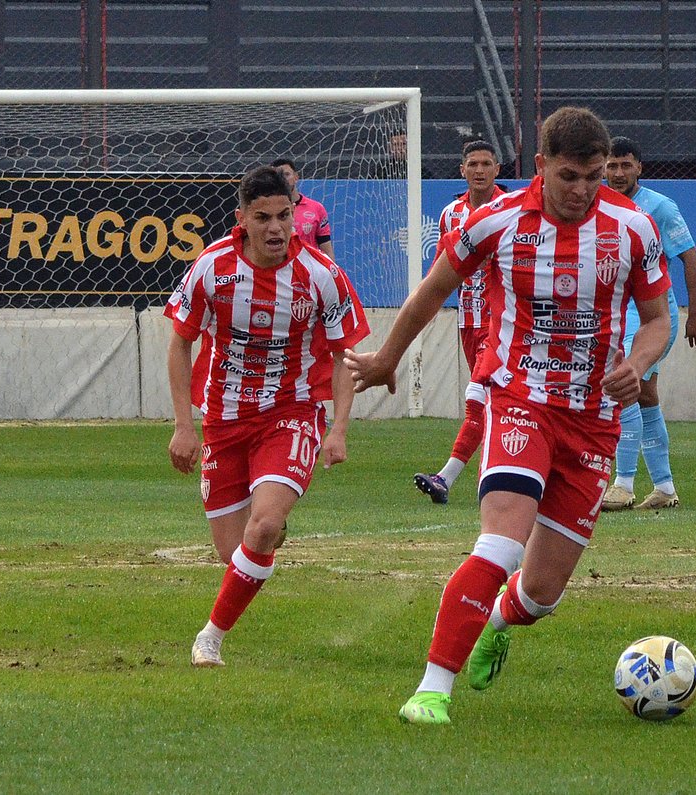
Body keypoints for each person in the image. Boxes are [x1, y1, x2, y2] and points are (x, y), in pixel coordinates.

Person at [344, 107, 672, 725]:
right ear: (542, 166)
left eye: (595, 177)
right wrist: (388, 357)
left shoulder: (633, 230)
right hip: (518, 400)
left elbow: (656, 320)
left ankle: (498, 620)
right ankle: (432, 688)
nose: (582, 190)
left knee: (542, 593)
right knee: (499, 543)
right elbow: (433, 290)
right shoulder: (492, 222)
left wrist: (639, 361)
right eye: (570, 176)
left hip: (594, 420)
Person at [165, 164, 369, 667]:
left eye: (285, 215)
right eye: (264, 218)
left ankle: (209, 637)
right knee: (234, 555)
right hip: (224, 420)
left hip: (292, 413)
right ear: (242, 219)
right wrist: (183, 426)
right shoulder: (212, 268)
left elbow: (347, 353)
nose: (277, 227)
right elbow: (180, 344)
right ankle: (267, 525)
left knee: (263, 527)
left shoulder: (321, 274)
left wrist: (339, 428)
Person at [600, 135, 696, 511]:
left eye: (625, 165)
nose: (617, 173)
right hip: (615, 312)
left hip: (652, 315)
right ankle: (664, 487)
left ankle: (624, 485)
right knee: (646, 397)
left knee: (624, 385)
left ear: (639, 168)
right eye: (611, 166)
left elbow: (690, 259)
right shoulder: (596, 205)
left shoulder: (659, 207)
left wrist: (694, 314)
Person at [413, 140, 506, 504]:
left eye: (486, 163)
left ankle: (445, 477)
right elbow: (442, 266)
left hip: (501, 320)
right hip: (467, 320)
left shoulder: (509, 210)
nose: (480, 170)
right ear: (462, 170)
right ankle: (501, 474)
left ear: (498, 170)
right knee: (492, 402)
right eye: (473, 163)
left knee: (476, 396)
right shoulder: (451, 214)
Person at [271, 157, 335, 260]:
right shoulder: (269, 209)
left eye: (287, 174)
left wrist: (332, 274)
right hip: (280, 271)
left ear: (296, 177)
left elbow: (326, 248)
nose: (283, 179)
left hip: (309, 271)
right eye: (278, 176)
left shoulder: (316, 208)